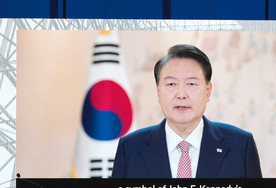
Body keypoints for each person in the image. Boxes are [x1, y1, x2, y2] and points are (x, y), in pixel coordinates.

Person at [111, 44, 262, 178]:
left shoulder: (241, 146)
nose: (181, 94)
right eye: (171, 84)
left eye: (191, 83)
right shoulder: (130, 148)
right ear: (158, 92)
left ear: (208, 91)